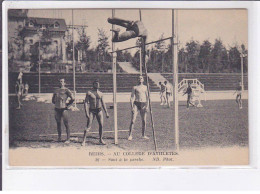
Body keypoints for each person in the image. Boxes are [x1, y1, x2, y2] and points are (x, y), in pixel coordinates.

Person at [82, 80, 110, 146]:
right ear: (93, 84)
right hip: (92, 110)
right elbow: (85, 102)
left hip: (99, 110)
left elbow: (103, 103)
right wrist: (86, 112)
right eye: (95, 84)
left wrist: (106, 112)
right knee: (88, 125)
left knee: (101, 125)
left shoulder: (101, 93)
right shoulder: (89, 93)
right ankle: (84, 140)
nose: (97, 85)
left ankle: (100, 139)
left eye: (98, 84)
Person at [52, 78, 75, 143]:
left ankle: (68, 139)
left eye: (62, 81)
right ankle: (59, 137)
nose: (61, 83)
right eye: (60, 81)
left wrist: (68, 104)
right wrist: (57, 103)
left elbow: (73, 98)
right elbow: (53, 100)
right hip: (57, 109)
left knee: (66, 124)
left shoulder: (67, 90)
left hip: (64, 109)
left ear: (65, 83)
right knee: (58, 123)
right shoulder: (56, 90)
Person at [128, 76, 149, 141]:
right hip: (136, 104)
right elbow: (132, 97)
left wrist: (147, 106)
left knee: (144, 121)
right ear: (137, 79)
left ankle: (143, 135)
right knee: (133, 120)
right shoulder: (135, 87)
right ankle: (130, 135)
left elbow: (148, 97)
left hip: (143, 104)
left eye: (141, 78)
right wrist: (132, 107)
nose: (140, 79)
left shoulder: (146, 87)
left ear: (143, 80)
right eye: (139, 78)